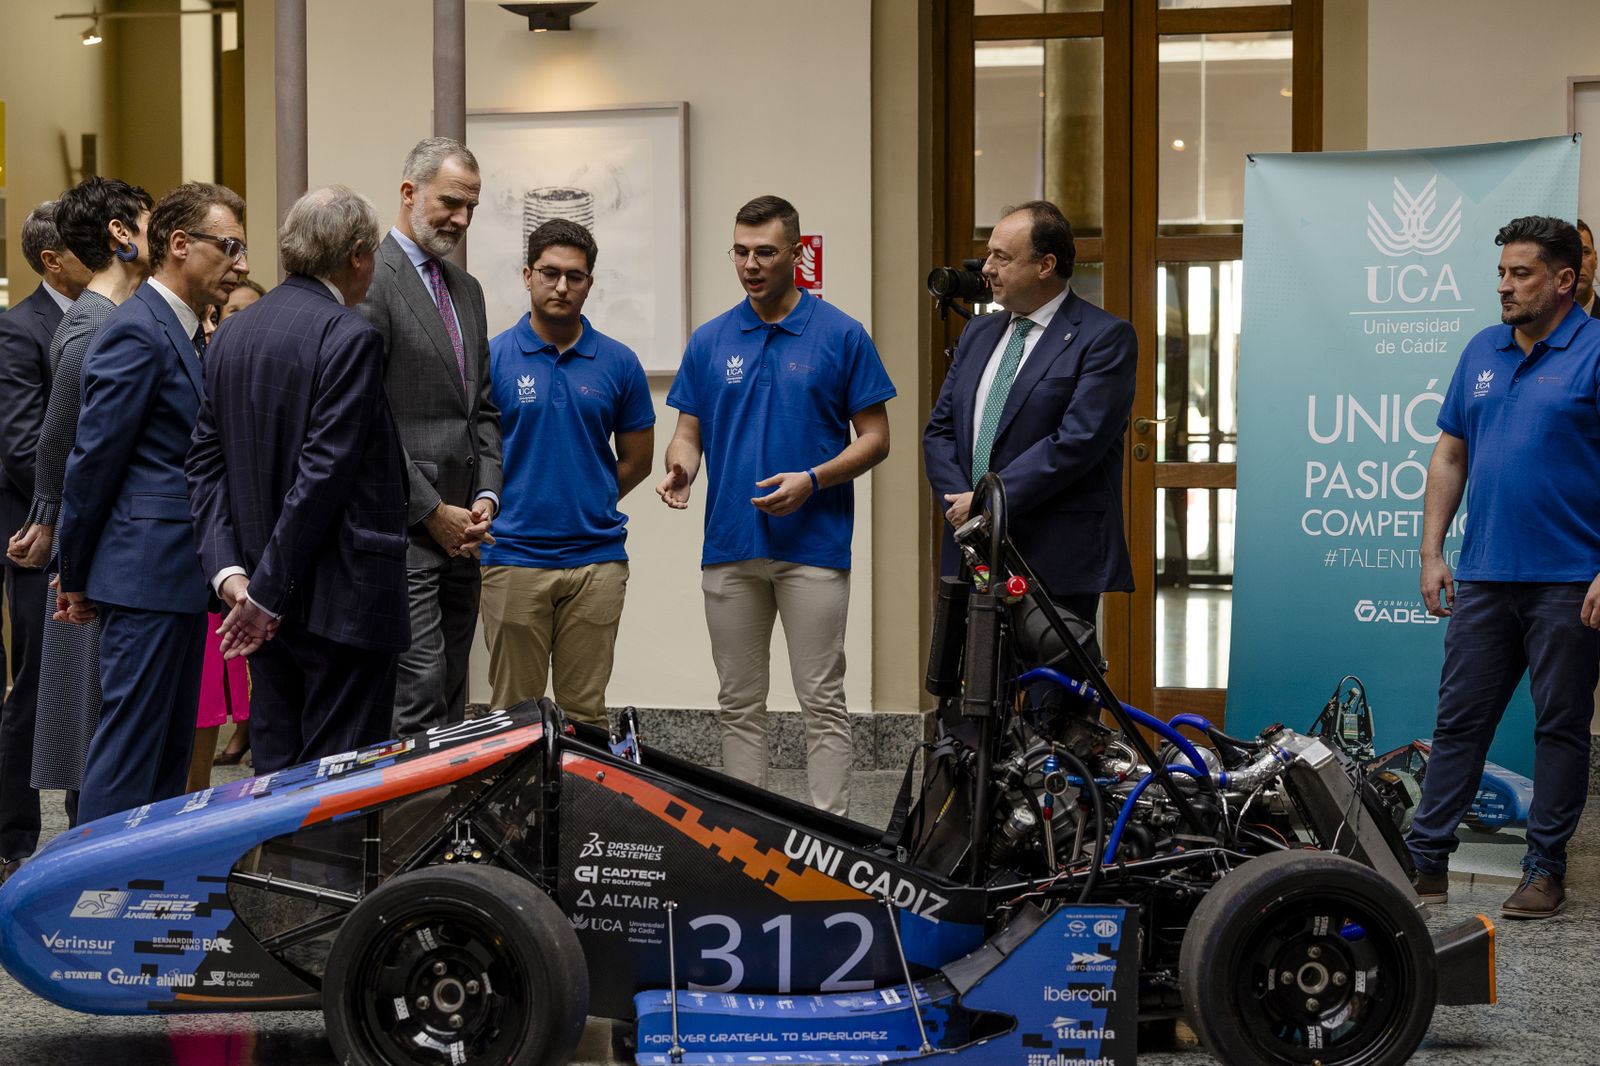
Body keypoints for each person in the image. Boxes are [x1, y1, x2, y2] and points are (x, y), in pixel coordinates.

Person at [657, 195, 893, 815]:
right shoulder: (710, 340)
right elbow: (689, 429)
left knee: (821, 699)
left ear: (797, 253)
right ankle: (745, 835)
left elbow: (876, 439)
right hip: (730, 545)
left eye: (765, 252)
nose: (751, 264)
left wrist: (813, 480)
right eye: (740, 251)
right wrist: (682, 465)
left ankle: (832, 834)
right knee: (738, 702)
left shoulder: (841, 334)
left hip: (813, 548)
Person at [1408, 215, 1600, 920]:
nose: (1506, 286)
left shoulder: (1595, 349)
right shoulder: (1481, 351)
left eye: (1521, 274)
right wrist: (1433, 550)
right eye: (1501, 273)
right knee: (1459, 724)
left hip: (1571, 579)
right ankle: (1425, 862)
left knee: (1560, 727)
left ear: (1564, 280)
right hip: (1486, 574)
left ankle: (1544, 869)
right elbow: (1450, 453)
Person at [188, 186, 408, 774]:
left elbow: (204, 465)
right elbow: (323, 476)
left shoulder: (230, 333)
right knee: (337, 783)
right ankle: (320, 873)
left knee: (277, 767)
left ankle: (271, 870)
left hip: (258, 599)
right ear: (359, 254)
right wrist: (264, 594)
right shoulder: (350, 337)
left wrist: (233, 576)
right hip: (341, 601)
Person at [58, 182, 247, 824]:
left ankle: (143, 897)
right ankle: (88, 903)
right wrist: (74, 572)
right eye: (229, 246)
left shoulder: (188, 331)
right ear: (178, 245)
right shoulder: (137, 330)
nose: (240, 263)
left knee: (168, 758)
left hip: (175, 575)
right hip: (140, 576)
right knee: (129, 755)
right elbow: (93, 462)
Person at [923, 200, 1137, 643]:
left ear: (1046, 264)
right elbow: (940, 430)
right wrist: (963, 504)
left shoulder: (1103, 338)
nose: (987, 268)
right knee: (967, 698)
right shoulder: (978, 333)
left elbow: (1077, 441)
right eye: (988, 255)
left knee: (1052, 703)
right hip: (971, 546)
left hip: (1053, 549)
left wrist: (987, 500)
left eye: (1002, 257)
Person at [8, 179, 151, 835]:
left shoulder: (116, 316)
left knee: (108, 732)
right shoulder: (89, 326)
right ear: (122, 233)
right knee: (95, 737)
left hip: (104, 548)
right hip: (96, 553)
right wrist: (51, 526)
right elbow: (59, 442)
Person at [480, 220, 654, 725]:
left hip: (595, 562)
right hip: (511, 556)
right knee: (513, 716)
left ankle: (579, 808)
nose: (561, 287)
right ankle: (517, 809)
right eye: (550, 273)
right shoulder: (491, 358)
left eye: (574, 277)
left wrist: (588, 496)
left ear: (589, 283)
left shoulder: (620, 363)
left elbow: (638, 461)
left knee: (585, 714)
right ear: (527, 275)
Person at [357, 137, 502, 737]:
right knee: (413, 698)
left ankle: (447, 828)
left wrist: (486, 499)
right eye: (451, 203)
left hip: (466, 533)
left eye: (472, 206)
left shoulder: (467, 291)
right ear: (409, 192)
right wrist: (429, 511)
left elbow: (483, 412)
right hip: (404, 530)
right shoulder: (371, 279)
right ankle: (408, 830)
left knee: (450, 699)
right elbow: (365, 418)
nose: (462, 220)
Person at [0, 202, 91, 880]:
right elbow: (21, 443)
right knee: (34, 690)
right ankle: (14, 840)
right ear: (52, 260)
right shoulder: (20, 329)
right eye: (84, 244)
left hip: (92, 532)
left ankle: (89, 833)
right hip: (39, 534)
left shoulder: (109, 318)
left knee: (91, 692)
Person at [1575, 219, 1596, 317]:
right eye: (1570, 253)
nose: (1579, 263)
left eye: (1586, 252)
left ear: (1595, 259)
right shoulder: (1540, 324)